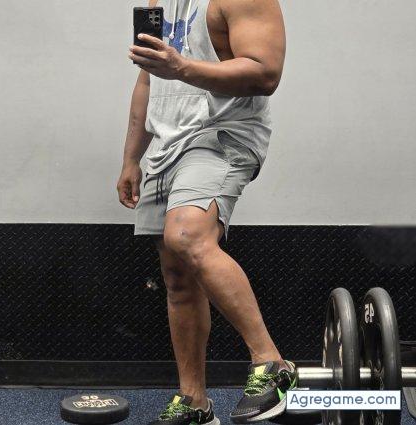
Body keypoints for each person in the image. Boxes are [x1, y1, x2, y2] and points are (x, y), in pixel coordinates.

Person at [117, 0, 296, 423]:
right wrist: (131, 158)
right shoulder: (158, 2)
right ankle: (194, 401)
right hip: (167, 145)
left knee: (187, 235)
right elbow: (148, 79)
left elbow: (265, 73)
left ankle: (271, 363)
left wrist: (181, 68)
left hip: (221, 134)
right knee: (178, 276)